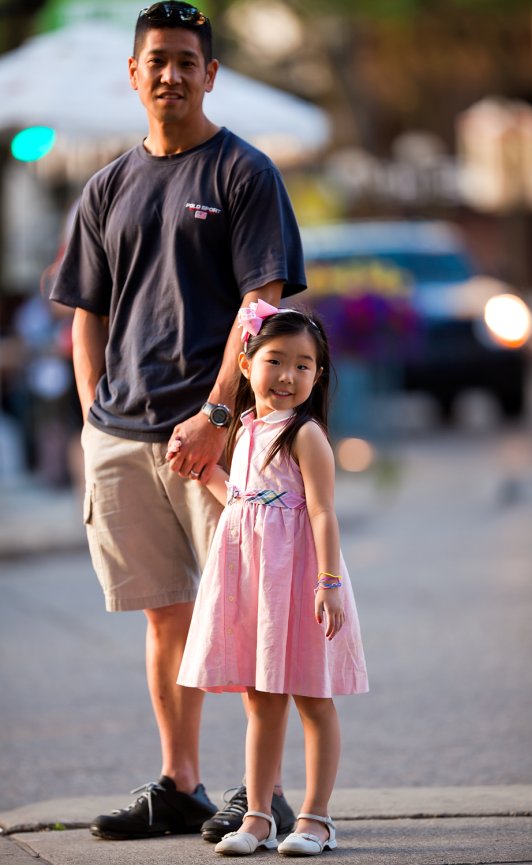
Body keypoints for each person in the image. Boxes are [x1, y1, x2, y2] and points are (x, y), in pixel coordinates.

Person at [49, 1, 304, 842]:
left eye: (186, 61)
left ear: (210, 74)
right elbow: (85, 311)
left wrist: (219, 411)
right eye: (156, 60)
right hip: (122, 435)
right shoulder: (106, 186)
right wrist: (94, 415)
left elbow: (260, 303)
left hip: (218, 433)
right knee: (166, 612)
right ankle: (181, 784)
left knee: (250, 609)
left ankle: (260, 791)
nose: (170, 74)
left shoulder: (243, 172)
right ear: (134, 74)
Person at [177, 300, 369, 856]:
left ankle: (316, 819)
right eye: (276, 360)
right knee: (261, 699)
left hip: (303, 580)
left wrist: (329, 583)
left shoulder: (305, 435)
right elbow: (243, 501)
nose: (288, 376)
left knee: (312, 696)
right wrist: (204, 472)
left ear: (318, 374)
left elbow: (323, 512)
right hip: (257, 580)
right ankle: (258, 817)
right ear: (246, 364)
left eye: (303, 365)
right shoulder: (244, 432)